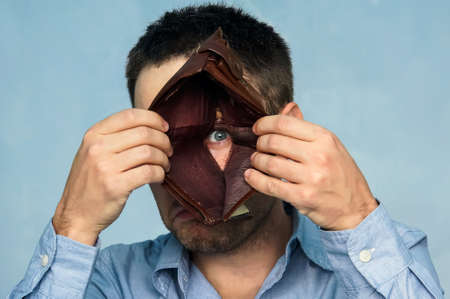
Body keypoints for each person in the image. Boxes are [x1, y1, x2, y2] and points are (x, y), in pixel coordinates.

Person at [9, 4, 444, 299]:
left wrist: (356, 218)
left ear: (287, 130)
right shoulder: (106, 281)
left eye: (218, 135)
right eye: (157, 137)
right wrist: (72, 226)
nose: (179, 179)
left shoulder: (384, 262)